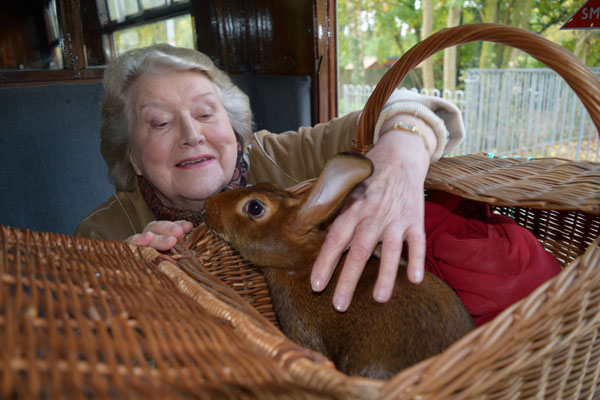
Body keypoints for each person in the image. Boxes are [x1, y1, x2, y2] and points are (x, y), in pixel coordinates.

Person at [75, 44, 465, 312]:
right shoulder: (103, 234)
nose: (191, 134)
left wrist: (400, 158)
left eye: (206, 113)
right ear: (132, 156)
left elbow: (407, 106)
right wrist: (121, 286)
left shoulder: (280, 156)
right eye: (160, 122)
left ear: (236, 129)